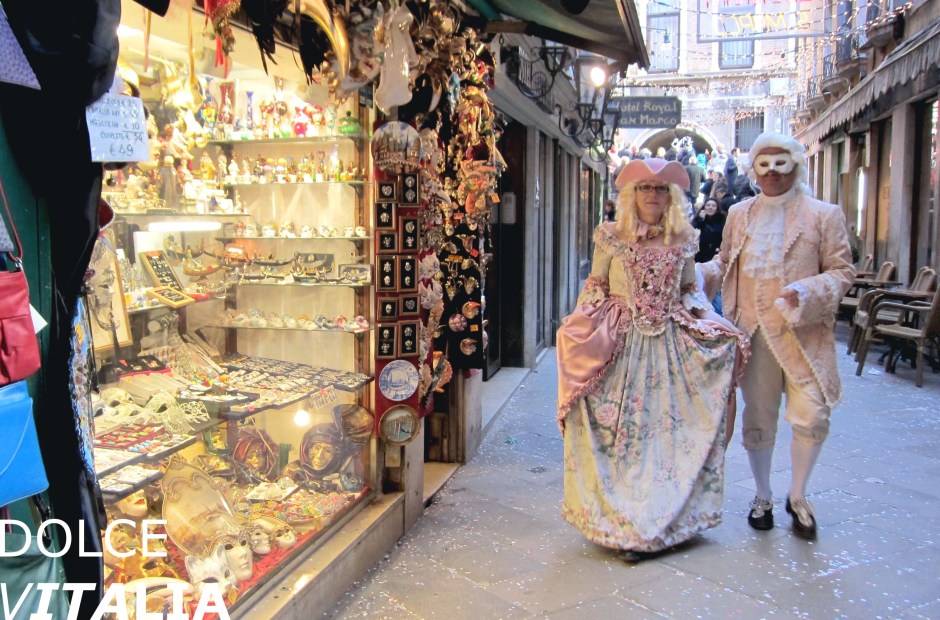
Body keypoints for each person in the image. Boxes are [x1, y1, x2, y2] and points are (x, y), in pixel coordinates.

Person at [556, 158, 747, 561]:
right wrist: (580, 325)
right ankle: (622, 519)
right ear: (632, 194)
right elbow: (597, 285)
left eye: (661, 190)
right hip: (621, 345)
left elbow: (691, 290)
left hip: (669, 349)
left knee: (663, 435)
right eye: (645, 188)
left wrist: (708, 320)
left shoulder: (684, 238)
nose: (653, 196)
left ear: (671, 196)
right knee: (624, 437)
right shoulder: (610, 236)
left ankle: (664, 517)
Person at [700, 132, 855, 540]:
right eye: (763, 164)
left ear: (796, 165)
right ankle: (763, 495)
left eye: (780, 163)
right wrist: (698, 276)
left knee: (811, 413)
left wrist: (806, 292)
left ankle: (799, 496)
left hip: (803, 336)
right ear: (753, 168)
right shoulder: (738, 214)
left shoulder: (824, 215)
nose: (771, 173)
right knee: (758, 416)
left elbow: (842, 272)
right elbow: (724, 260)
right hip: (751, 331)